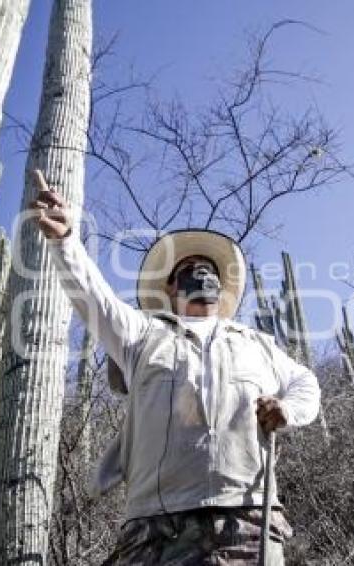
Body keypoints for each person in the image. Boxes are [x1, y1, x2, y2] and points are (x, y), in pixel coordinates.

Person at [30, 169, 320, 565]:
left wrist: (288, 410)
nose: (200, 271)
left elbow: (305, 382)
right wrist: (65, 241)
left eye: (208, 268)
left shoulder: (258, 345)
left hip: (247, 516)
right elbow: (93, 298)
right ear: (169, 287)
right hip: (153, 525)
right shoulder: (141, 336)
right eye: (188, 267)